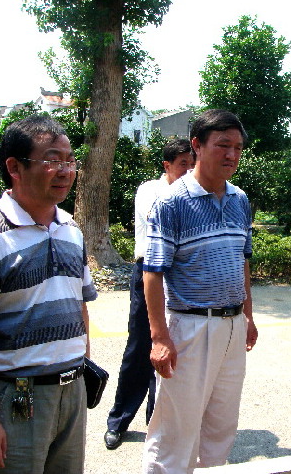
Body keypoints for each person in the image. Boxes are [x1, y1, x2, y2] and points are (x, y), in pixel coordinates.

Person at [0, 115, 96, 472]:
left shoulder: (70, 229)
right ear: (15, 167)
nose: (65, 171)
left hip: (71, 392)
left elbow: (79, 305)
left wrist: (82, 370)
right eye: (52, 160)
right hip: (18, 397)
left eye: (70, 160)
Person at [142, 109, 258, 473]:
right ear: (197, 145)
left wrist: (248, 317)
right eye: (223, 145)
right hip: (190, 327)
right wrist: (160, 337)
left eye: (238, 147)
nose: (232, 154)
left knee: (221, 428)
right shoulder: (171, 202)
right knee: (176, 432)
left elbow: (242, 261)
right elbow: (153, 272)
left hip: (232, 325)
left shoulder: (239, 199)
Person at [104, 139, 194, 450]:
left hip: (180, 276)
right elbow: (165, 220)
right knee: (140, 347)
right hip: (148, 274)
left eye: (192, 164)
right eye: (182, 165)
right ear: (166, 166)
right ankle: (118, 421)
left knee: (173, 348)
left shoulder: (195, 192)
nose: (189, 171)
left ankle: (157, 424)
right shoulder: (150, 191)